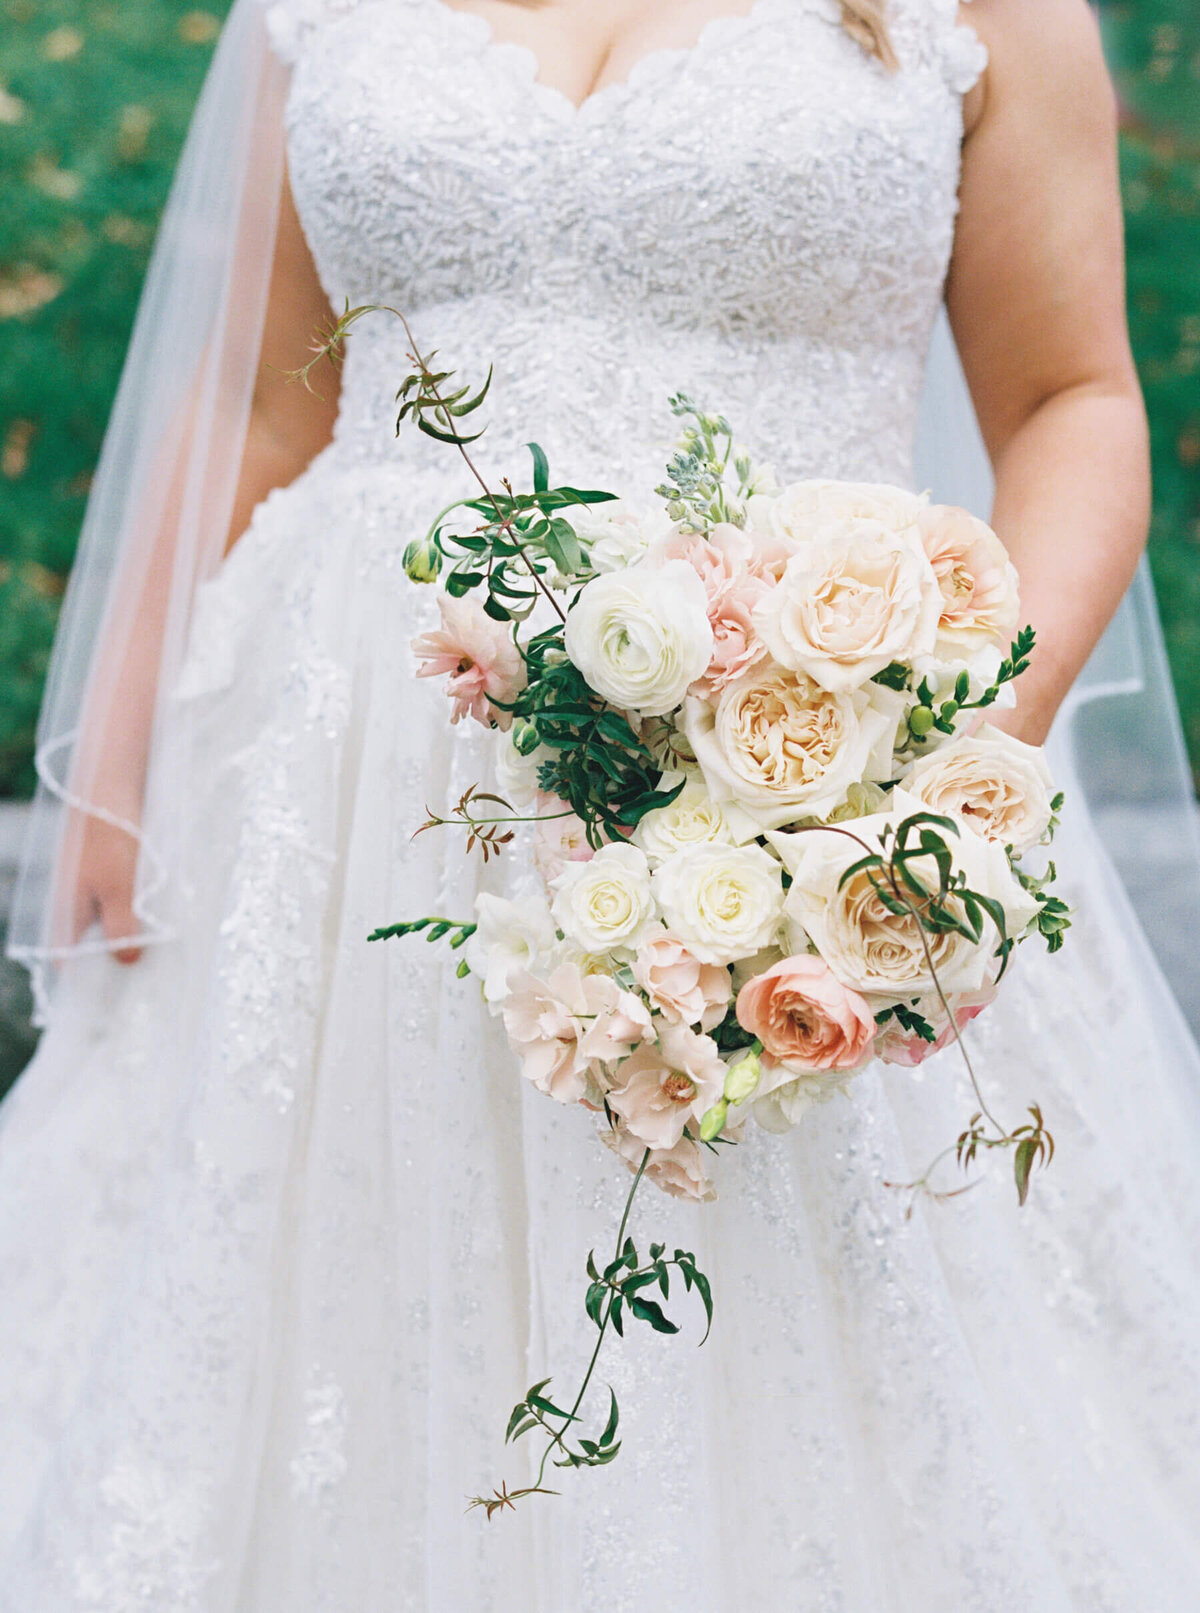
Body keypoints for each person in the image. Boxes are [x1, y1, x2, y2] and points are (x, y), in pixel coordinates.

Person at [3, 0, 1200, 1605]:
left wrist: (926, 775)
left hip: (791, 763)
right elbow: (260, 396)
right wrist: (120, 757)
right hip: (333, 800)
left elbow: (1073, 400)